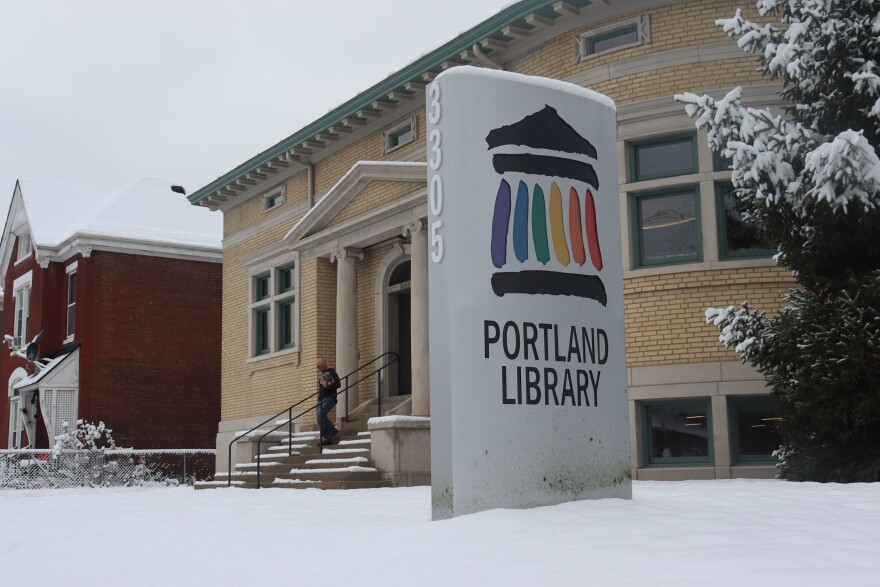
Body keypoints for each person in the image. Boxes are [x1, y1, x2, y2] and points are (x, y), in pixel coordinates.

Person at [315, 358, 341, 444]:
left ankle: (331, 429)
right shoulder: (322, 375)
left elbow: (338, 384)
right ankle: (326, 438)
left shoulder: (331, 372)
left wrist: (328, 385)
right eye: (317, 366)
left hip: (329, 398)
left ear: (324, 364)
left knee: (320, 413)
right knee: (319, 417)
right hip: (321, 399)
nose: (318, 368)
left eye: (319, 366)